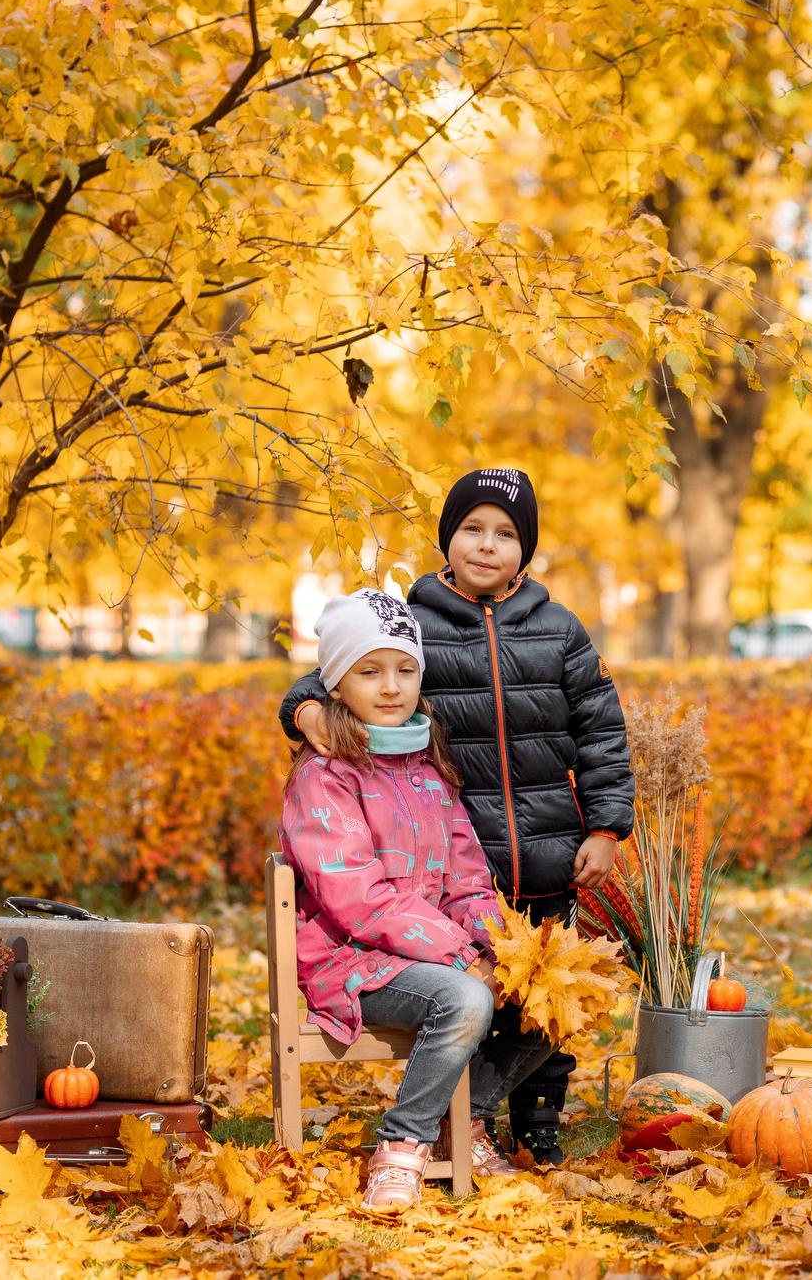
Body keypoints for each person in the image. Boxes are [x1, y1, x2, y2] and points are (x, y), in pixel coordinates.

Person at [281, 467, 635, 1165]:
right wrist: (303, 706)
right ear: (448, 538)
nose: (486, 544)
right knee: (478, 992)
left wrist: (604, 825)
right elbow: (350, 663)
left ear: (525, 549)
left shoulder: (559, 627)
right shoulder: (412, 618)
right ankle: (452, 1121)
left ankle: (533, 1118)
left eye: (505, 534)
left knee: (550, 996)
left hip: (543, 852)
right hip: (448, 849)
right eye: (471, 528)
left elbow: (601, 729)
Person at [280, 588, 510, 1210]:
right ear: (335, 685)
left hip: (428, 952)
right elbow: (359, 900)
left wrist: (505, 946)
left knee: (536, 992)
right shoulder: (324, 778)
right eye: (370, 670)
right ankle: (402, 1145)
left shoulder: (426, 769)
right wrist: (462, 955)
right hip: (352, 961)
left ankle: (462, 1121)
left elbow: (465, 882)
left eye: (405, 670)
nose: (391, 686)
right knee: (465, 996)